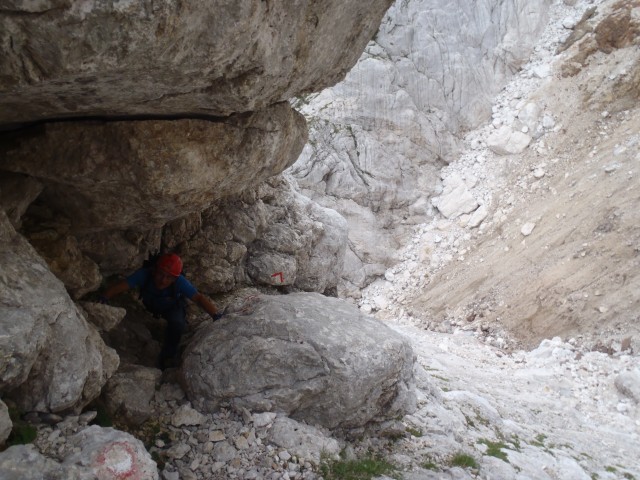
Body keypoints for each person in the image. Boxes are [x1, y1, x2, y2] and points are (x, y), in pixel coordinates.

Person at [101, 252, 221, 369]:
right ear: (154, 270)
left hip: (172, 307)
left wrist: (216, 315)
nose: (163, 280)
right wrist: (104, 297)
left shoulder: (180, 282)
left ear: (175, 279)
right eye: (161, 274)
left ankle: (168, 356)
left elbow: (199, 298)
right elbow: (122, 285)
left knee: (177, 324)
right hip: (152, 305)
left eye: (169, 277)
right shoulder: (144, 274)